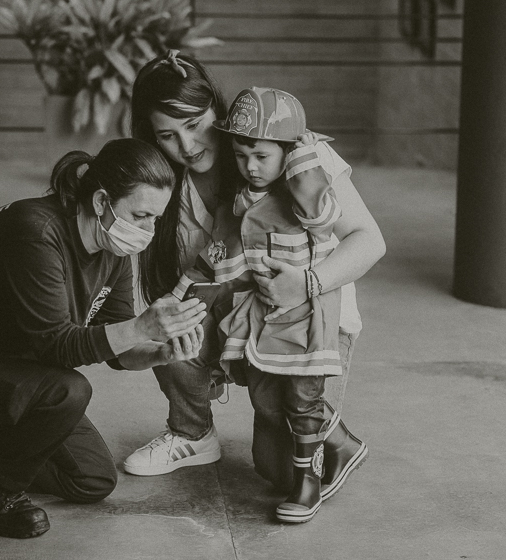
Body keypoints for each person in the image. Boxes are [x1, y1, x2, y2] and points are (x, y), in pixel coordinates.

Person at [0, 138, 208, 539]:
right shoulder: (35, 232)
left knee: (91, 480)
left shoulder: (114, 250)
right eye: (142, 215)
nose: (148, 231)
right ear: (101, 201)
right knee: (67, 391)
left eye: (157, 219)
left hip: (9, 369)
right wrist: (143, 326)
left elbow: (116, 348)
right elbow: (58, 346)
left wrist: (160, 353)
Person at [123, 52, 386, 508]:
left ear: (218, 111)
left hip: (308, 319)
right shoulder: (168, 188)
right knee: (170, 314)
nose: (186, 145)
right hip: (239, 318)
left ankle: (334, 438)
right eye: (167, 135)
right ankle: (192, 432)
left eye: (195, 123)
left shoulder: (292, 148)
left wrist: (306, 282)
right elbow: (197, 277)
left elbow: (369, 241)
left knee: (279, 471)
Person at [211, 86, 359, 523]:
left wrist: (301, 161)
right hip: (267, 312)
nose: (250, 167)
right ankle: (342, 443)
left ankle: (307, 486)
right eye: (240, 155)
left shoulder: (307, 191)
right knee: (267, 400)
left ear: (288, 152)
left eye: (261, 155)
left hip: (311, 310)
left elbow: (325, 219)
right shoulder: (249, 195)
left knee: (301, 399)